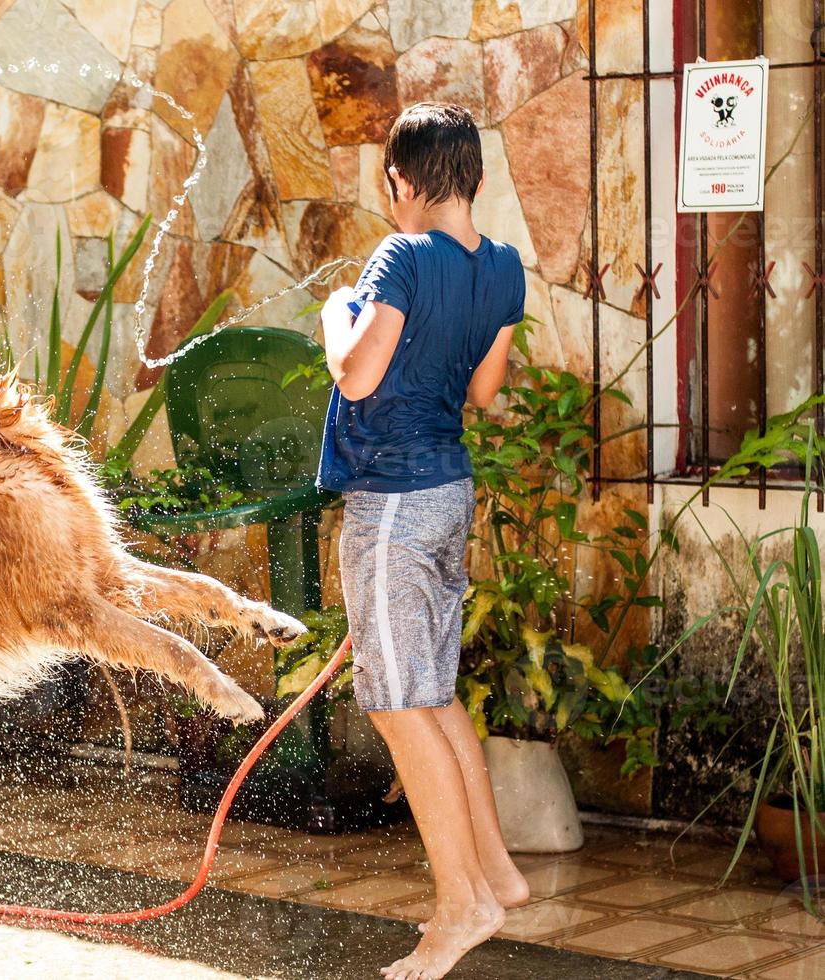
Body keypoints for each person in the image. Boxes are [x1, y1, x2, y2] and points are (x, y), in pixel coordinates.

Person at [317, 101, 530, 980]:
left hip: (394, 507)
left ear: (401, 181)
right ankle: (498, 875)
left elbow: (358, 374)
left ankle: (459, 907)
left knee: (401, 707)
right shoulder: (505, 267)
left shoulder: (399, 256)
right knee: (433, 694)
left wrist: (340, 314)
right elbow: (486, 392)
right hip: (449, 491)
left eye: (390, 186)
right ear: (472, 177)